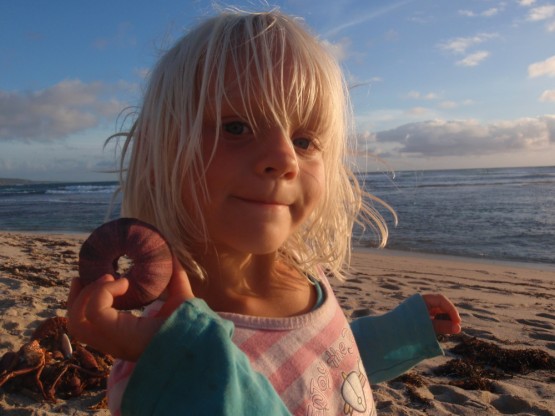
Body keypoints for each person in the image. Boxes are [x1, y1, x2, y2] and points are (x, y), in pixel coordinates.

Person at [67, 9, 461, 416]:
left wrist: (397, 334)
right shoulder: (163, 362)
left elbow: (318, 365)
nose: (284, 158)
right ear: (155, 153)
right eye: (236, 127)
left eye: (305, 140)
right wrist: (184, 360)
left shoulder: (304, 275)